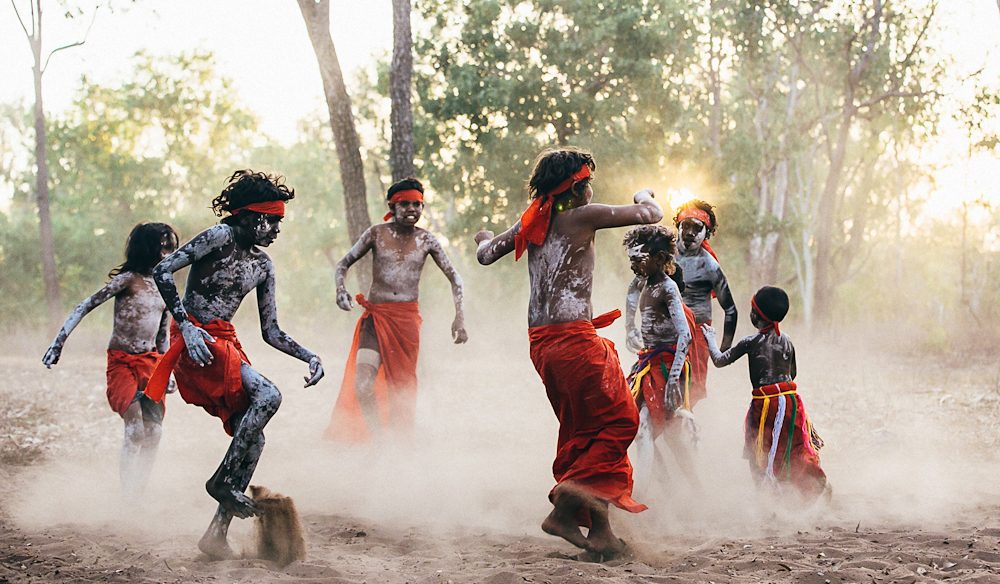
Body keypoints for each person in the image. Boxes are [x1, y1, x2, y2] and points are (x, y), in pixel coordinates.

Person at [475, 147, 660, 559]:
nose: (592, 189)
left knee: (585, 434)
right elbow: (652, 215)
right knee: (620, 422)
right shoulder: (581, 216)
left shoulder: (531, 222)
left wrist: (486, 237)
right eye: (588, 181)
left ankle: (602, 536)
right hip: (573, 342)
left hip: (541, 344)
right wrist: (643, 193)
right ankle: (564, 508)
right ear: (576, 188)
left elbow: (486, 255)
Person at [144, 170, 324, 559]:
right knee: (269, 395)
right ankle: (221, 483)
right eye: (271, 219)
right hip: (195, 344)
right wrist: (187, 327)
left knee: (254, 439)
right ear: (247, 216)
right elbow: (162, 271)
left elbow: (271, 331)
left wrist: (309, 355)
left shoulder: (263, 266)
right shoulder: (218, 237)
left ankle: (216, 533)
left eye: (279, 221)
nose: (276, 228)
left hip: (225, 344)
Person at [42, 222, 179, 497]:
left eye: (172, 247)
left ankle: (138, 492)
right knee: (135, 429)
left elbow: (162, 335)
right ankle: (127, 496)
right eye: (163, 246)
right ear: (147, 247)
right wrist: (58, 343)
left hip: (151, 362)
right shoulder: (128, 280)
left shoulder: (165, 285)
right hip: (122, 362)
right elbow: (85, 305)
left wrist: (168, 371)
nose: (169, 252)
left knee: (154, 433)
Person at [326, 177, 467, 442]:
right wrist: (340, 290)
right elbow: (342, 264)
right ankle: (377, 437)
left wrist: (459, 317)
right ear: (392, 205)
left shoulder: (427, 240)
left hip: (406, 322)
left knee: (401, 388)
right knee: (363, 383)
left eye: (417, 204)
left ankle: (398, 442)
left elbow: (455, 278)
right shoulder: (376, 233)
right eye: (405, 204)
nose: (412, 209)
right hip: (376, 318)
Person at [702, 286, 828, 502]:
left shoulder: (750, 342)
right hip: (791, 401)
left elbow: (719, 360)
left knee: (758, 449)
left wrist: (710, 338)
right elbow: (793, 373)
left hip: (765, 405)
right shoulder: (787, 340)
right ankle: (810, 484)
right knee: (792, 445)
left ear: (755, 315)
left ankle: (766, 497)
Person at [625, 199, 736, 406]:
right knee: (651, 384)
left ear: (707, 233)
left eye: (697, 227)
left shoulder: (710, 266)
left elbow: (730, 310)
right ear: (678, 226)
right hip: (663, 334)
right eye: (686, 225)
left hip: (697, 337)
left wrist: (722, 352)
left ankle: (682, 432)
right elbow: (635, 286)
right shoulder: (661, 256)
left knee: (689, 393)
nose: (690, 232)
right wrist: (630, 326)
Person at [621, 225, 701, 491]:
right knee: (639, 427)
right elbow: (631, 295)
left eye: (638, 260)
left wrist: (673, 382)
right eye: (631, 260)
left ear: (658, 259)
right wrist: (629, 327)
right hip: (647, 364)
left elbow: (685, 337)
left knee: (665, 435)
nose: (633, 267)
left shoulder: (668, 289)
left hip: (667, 368)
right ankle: (651, 490)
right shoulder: (641, 281)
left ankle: (687, 488)